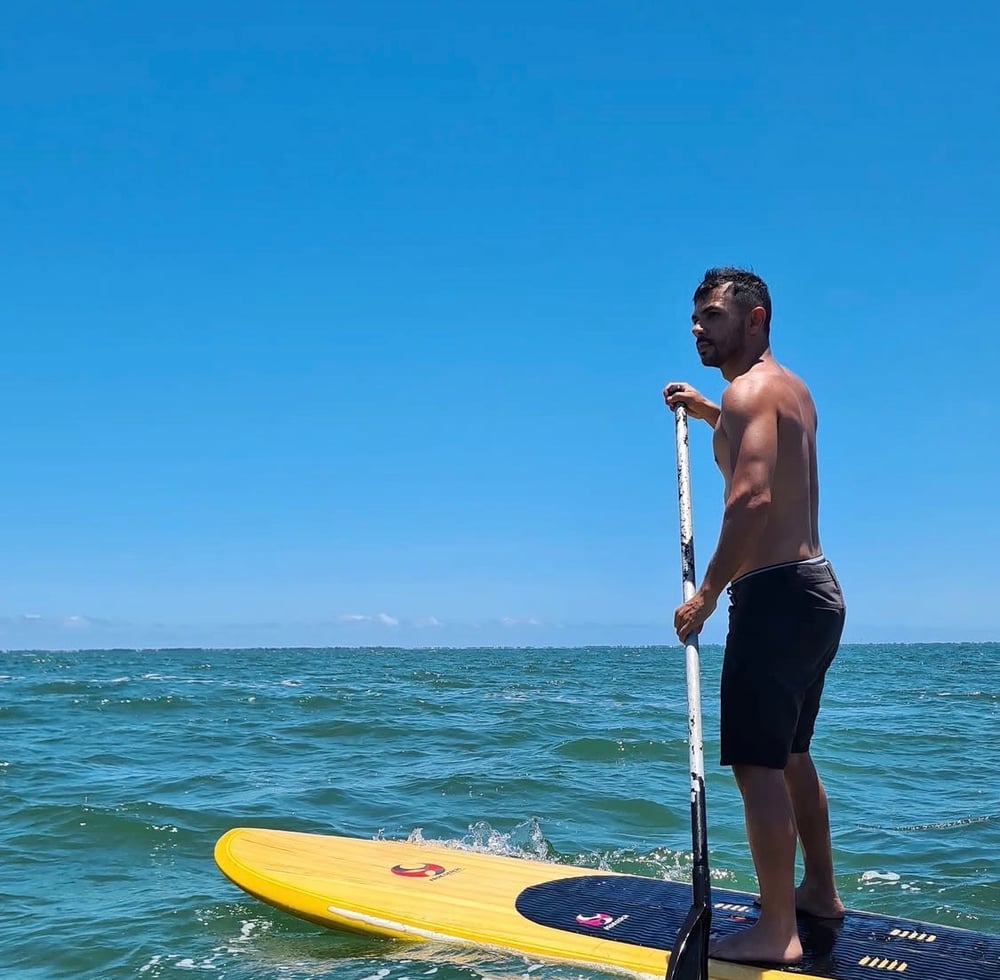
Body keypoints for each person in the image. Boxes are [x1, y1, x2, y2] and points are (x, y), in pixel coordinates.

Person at [663, 267, 846, 966]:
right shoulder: (785, 390)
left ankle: (778, 930)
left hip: (771, 597)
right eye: (696, 317)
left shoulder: (749, 393)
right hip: (815, 590)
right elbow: (758, 445)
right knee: (792, 753)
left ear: (756, 317)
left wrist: (706, 594)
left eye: (712, 315)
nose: (698, 328)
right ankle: (819, 894)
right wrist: (710, 412)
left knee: (755, 763)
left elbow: (751, 501)